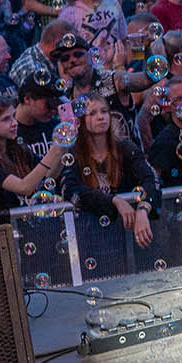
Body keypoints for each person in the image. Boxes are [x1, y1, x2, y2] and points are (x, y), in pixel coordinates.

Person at [60, 93, 159, 248]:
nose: (101, 117)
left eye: (104, 111)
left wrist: (143, 208)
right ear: (80, 121)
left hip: (128, 236)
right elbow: (70, 190)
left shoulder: (126, 148)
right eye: (92, 113)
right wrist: (114, 200)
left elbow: (151, 179)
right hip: (88, 238)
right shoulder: (73, 155)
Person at [0, 95, 67, 212]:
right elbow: (23, 188)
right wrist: (54, 150)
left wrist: (64, 146)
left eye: (13, 116)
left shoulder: (16, 148)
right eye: (6, 119)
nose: (14, 123)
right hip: (0, 222)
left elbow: (49, 175)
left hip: (25, 220)